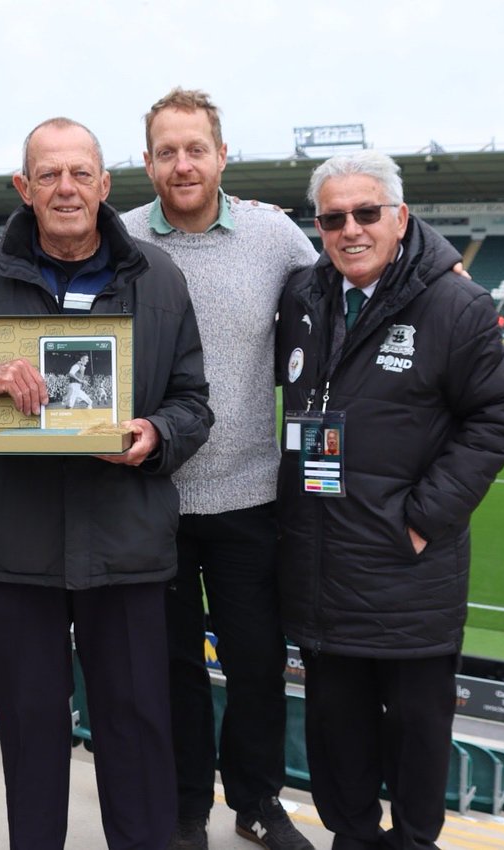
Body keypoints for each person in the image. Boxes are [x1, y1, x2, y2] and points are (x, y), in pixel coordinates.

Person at [0, 117, 213, 850]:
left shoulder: (159, 278)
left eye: (80, 173)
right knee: (31, 738)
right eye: (48, 174)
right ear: (24, 188)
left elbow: (194, 403)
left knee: (137, 734)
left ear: (105, 184)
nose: (65, 188)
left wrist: (157, 435)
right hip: (18, 552)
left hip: (128, 548)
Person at [275, 151, 504, 850]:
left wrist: (422, 520)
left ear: (400, 217)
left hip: (408, 575)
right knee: (336, 737)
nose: (350, 230)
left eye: (366, 213)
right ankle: (352, 838)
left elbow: (500, 416)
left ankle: (414, 842)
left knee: (417, 740)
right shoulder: (303, 296)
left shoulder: (455, 304)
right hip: (324, 571)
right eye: (333, 218)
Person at [121, 87, 317, 850]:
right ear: (147, 162)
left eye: (195, 148)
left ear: (222, 154)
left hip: (249, 495)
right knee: (170, 671)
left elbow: (348, 271)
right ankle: (183, 809)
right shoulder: (123, 236)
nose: (182, 163)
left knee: (258, 666)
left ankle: (258, 803)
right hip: (148, 496)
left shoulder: (273, 235)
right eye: (166, 151)